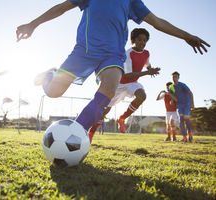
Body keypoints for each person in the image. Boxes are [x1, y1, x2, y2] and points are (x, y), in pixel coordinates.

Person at [16, 0, 210, 141]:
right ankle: (50, 75)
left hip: (113, 54)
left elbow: (157, 22)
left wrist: (186, 36)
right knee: (53, 92)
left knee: (108, 89)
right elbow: (62, 8)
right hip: (84, 51)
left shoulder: (132, 1)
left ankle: (76, 133)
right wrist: (33, 24)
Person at [88, 28, 160, 142]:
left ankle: (122, 119)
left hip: (132, 83)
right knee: (106, 110)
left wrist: (151, 69)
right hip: (120, 83)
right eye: (139, 40)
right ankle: (91, 132)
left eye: (145, 40)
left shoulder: (146, 53)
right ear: (133, 40)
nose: (142, 42)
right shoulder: (128, 53)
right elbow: (129, 75)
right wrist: (148, 72)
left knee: (142, 96)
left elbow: (147, 64)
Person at [169, 71, 194, 142]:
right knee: (181, 120)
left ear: (178, 78)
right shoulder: (171, 86)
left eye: (176, 77)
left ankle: (190, 133)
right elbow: (171, 94)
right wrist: (172, 100)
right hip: (179, 104)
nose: (174, 78)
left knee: (186, 118)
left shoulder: (182, 85)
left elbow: (190, 93)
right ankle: (184, 137)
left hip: (187, 103)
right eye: (173, 77)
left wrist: (192, 103)